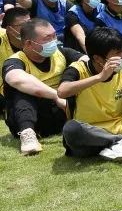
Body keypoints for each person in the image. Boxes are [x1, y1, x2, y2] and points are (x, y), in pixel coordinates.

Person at [57, 27, 122, 163]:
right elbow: (62, 91)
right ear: (98, 58)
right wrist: (99, 77)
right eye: (117, 54)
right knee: (71, 128)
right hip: (90, 135)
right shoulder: (77, 69)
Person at [2, 18, 86, 155]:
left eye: (54, 36)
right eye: (48, 38)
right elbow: (16, 79)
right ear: (29, 43)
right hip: (32, 116)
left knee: (78, 72)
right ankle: (28, 135)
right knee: (21, 91)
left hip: (61, 113)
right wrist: (56, 95)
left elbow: (86, 61)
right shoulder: (15, 61)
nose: (54, 41)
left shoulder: (61, 53)